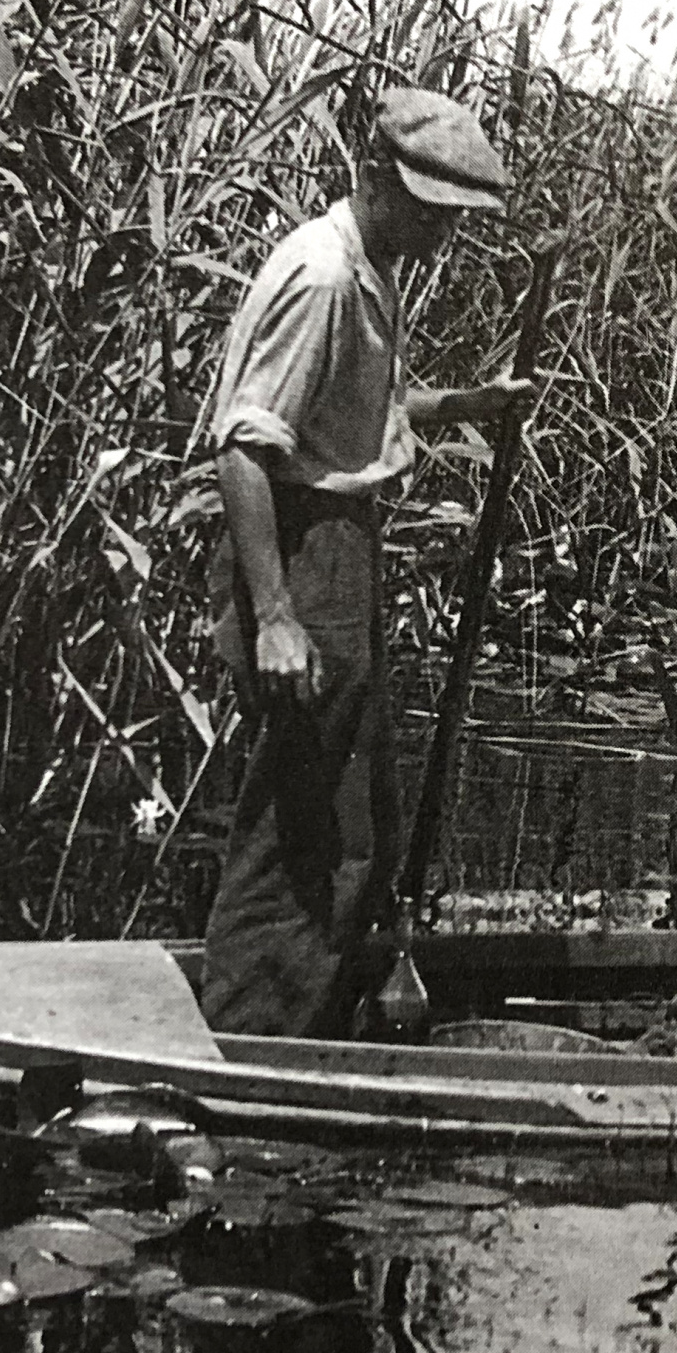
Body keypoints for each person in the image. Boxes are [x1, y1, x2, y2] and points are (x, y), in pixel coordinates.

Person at [199, 88, 531, 1037]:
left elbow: (350, 417)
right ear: (374, 175)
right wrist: (275, 614)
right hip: (302, 553)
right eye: (428, 210)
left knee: (355, 815)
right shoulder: (324, 277)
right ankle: (254, 1038)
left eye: (451, 218)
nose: (440, 234)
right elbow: (245, 448)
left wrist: (467, 404)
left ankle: (311, 1011)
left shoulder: (368, 265)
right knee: (308, 826)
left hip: (338, 549)